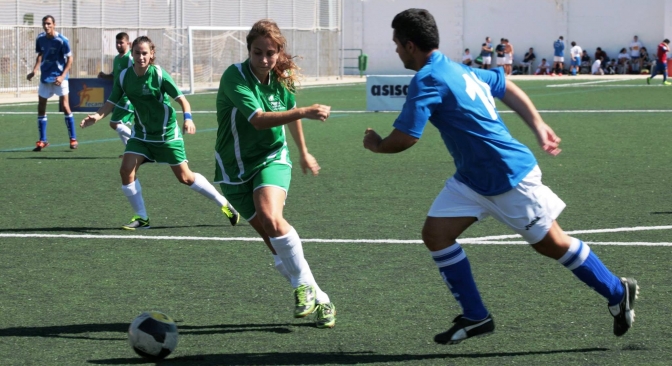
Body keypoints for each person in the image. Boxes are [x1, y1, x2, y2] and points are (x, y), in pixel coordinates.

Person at [364, 8, 638, 345]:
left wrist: (377, 145)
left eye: (395, 44)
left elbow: (406, 138)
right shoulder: (458, 69)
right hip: (472, 178)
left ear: (409, 45)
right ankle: (476, 316)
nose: (394, 50)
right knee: (436, 234)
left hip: (507, 177)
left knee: (552, 244)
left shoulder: (428, 79)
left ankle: (617, 290)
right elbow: (507, 85)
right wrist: (537, 125)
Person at [214, 19, 336, 328]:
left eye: (270, 53)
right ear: (249, 51)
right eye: (258, 53)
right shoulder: (234, 77)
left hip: (272, 157)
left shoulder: (283, 77)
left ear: (279, 51)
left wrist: (303, 151)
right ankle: (320, 298)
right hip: (233, 169)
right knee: (275, 241)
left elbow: (289, 115)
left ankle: (304, 289)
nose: (264, 60)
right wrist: (304, 111)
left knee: (271, 216)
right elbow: (258, 119)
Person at [80, 36, 240, 229]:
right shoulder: (124, 77)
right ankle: (142, 218)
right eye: (137, 53)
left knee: (185, 177)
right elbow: (111, 102)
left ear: (152, 54)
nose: (141, 57)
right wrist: (96, 117)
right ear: (132, 53)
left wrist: (188, 118)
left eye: (145, 53)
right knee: (126, 170)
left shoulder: (159, 75)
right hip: (141, 134)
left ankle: (224, 204)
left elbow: (183, 100)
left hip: (166, 134)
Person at [26, 15, 77, 151]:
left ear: (54, 24)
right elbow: (40, 55)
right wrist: (34, 70)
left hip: (59, 79)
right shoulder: (40, 38)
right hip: (45, 78)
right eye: (44, 24)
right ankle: (43, 140)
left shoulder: (62, 40)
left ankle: (73, 138)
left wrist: (62, 76)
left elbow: (70, 59)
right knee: (41, 107)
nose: (46, 26)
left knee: (66, 107)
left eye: (49, 23)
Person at [97, 32, 134, 153]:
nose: (118, 45)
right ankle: (130, 151)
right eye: (117, 43)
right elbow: (115, 76)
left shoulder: (130, 58)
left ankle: (138, 142)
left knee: (114, 123)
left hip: (127, 97)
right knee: (118, 124)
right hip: (119, 96)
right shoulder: (117, 59)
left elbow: (136, 75)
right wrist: (105, 76)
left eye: (121, 42)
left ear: (128, 43)